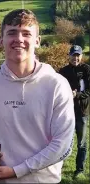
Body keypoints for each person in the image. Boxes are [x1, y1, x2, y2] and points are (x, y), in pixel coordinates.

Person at [0, 9, 75, 183]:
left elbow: (63, 144)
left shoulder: (57, 85)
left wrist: (17, 170)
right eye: (12, 33)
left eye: (26, 34)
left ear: (37, 41)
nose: (19, 39)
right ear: (1, 41)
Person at [59, 45, 90, 179]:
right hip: (66, 112)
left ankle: (79, 169)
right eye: (73, 55)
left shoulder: (87, 70)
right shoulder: (62, 71)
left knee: (81, 143)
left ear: (81, 56)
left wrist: (77, 94)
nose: (75, 58)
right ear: (69, 55)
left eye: (78, 55)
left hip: (82, 112)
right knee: (63, 141)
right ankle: (58, 167)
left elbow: (88, 91)